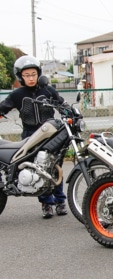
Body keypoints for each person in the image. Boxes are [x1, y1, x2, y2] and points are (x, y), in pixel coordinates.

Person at [0, 55, 68, 219]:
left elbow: (61, 104)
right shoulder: (17, 94)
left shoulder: (48, 90)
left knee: (55, 167)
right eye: (27, 75)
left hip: (52, 134)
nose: (31, 78)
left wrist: (68, 110)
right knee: (36, 169)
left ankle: (60, 201)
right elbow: (2, 108)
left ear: (38, 74)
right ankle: (46, 204)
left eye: (33, 74)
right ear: (20, 77)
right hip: (30, 136)